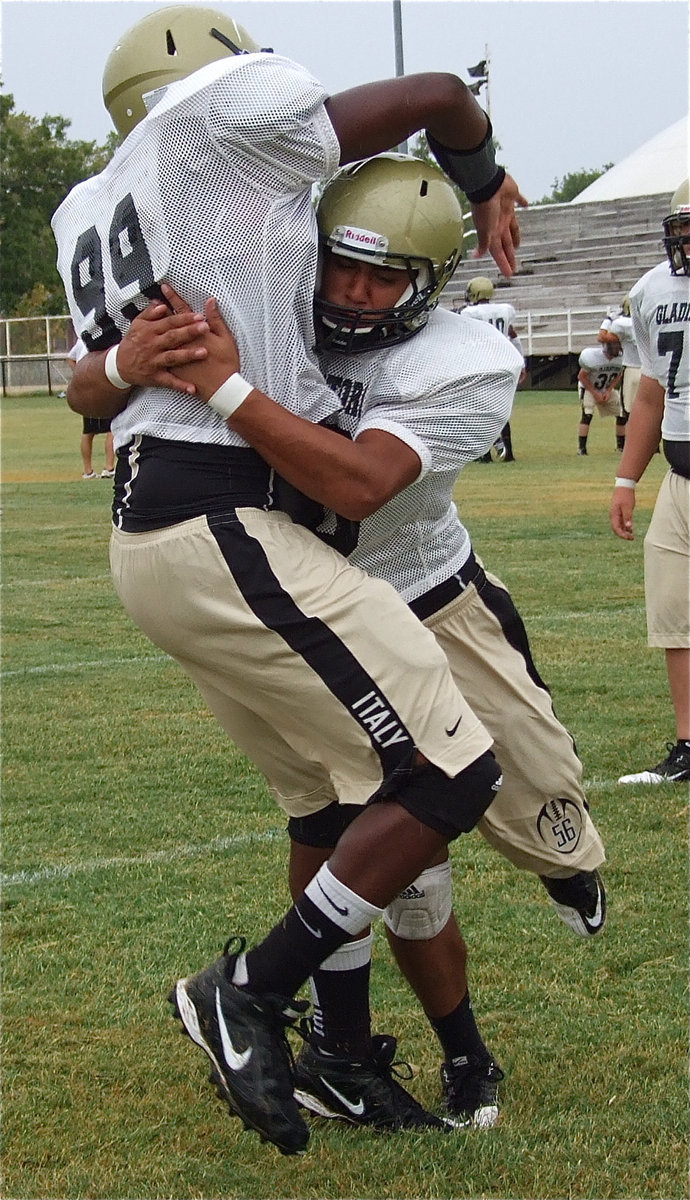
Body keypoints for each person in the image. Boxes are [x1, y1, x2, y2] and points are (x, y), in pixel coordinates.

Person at [55, 4, 527, 1155]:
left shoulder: (99, 203)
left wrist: (117, 363)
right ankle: (252, 993)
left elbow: (96, 382)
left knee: (337, 798)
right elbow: (429, 97)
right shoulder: (222, 123)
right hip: (220, 515)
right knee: (449, 768)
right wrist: (483, 176)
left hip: (164, 529)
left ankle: (347, 1060)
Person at [610, 179, 690, 785]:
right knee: (674, 613)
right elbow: (652, 394)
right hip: (679, 475)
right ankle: (689, 746)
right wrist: (626, 479)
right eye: (683, 225)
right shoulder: (650, 290)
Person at [461, 276, 522, 461]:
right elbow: (513, 335)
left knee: (480, 409)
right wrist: (522, 360)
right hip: (503, 364)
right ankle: (509, 452)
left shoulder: (470, 312)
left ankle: (485, 454)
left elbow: (466, 340)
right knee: (500, 409)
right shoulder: (505, 310)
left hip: (482, 365)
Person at [67, 338, 115, 479]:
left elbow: (70, 358)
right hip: (101, 387)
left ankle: (88, 471)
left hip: (86, 389)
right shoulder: (106, 336)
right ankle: (109, 467)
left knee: (88, 431)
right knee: (111, 429)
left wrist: (79, 374)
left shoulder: (83, 338)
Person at [576, 340, 624, 455]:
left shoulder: (620, 359)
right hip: (588, 388)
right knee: (587, 415)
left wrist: (609, 389)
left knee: (622, 414)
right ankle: (582, 449)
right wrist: (595, 393)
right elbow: (581, 376)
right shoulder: (593, 357)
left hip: (605, 388)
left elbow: (619, 374)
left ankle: (621, 446)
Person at [609, 294, 642, 420]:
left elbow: (607, 338)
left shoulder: (622, 324)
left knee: (629, 413)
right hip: (653, 371)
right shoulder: (652, 321)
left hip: (632, 369)